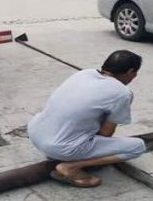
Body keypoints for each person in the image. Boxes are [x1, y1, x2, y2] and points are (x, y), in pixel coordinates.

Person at [28, 50, 146, 187]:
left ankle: (64, 152)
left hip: (36, 133)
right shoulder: (122, 93)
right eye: (135, 73)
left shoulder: (84, 73)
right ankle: (71, 167)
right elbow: (106, 133)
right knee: (137, 146)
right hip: (60, 147)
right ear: (130, 72)